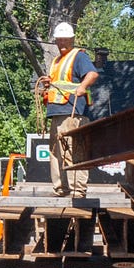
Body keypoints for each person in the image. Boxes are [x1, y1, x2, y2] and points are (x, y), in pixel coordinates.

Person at [35, 21, 99, 198]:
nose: (61, 43)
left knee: (72, 150)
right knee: (56, 153)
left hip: (72, 112)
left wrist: (83, 86)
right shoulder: (56, 61)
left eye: (65, 40)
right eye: (59, 40)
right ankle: (61, 188)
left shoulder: (78, 56)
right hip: (56, 112)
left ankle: (78, 190)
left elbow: (92, 74)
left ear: (71, 39)